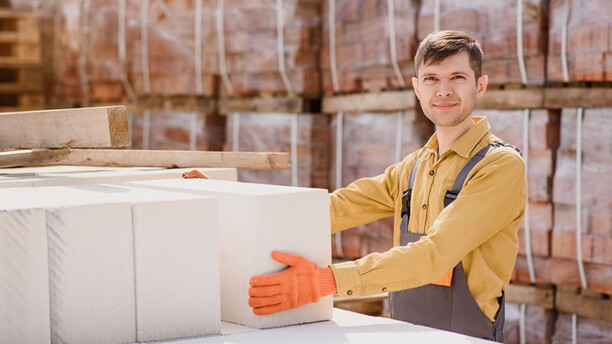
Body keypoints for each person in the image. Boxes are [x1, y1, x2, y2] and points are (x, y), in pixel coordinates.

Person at [247, 30, 526, 342]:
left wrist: (323, 281)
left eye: (457, 77)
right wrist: (242, 210)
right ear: (417, 88)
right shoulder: (414, 165)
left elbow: (434, 255)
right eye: (432, 79)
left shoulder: (499, 166)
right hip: (405, 333)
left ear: (481, 85)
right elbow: (341, 207)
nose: (443, 90)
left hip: (466, 337)